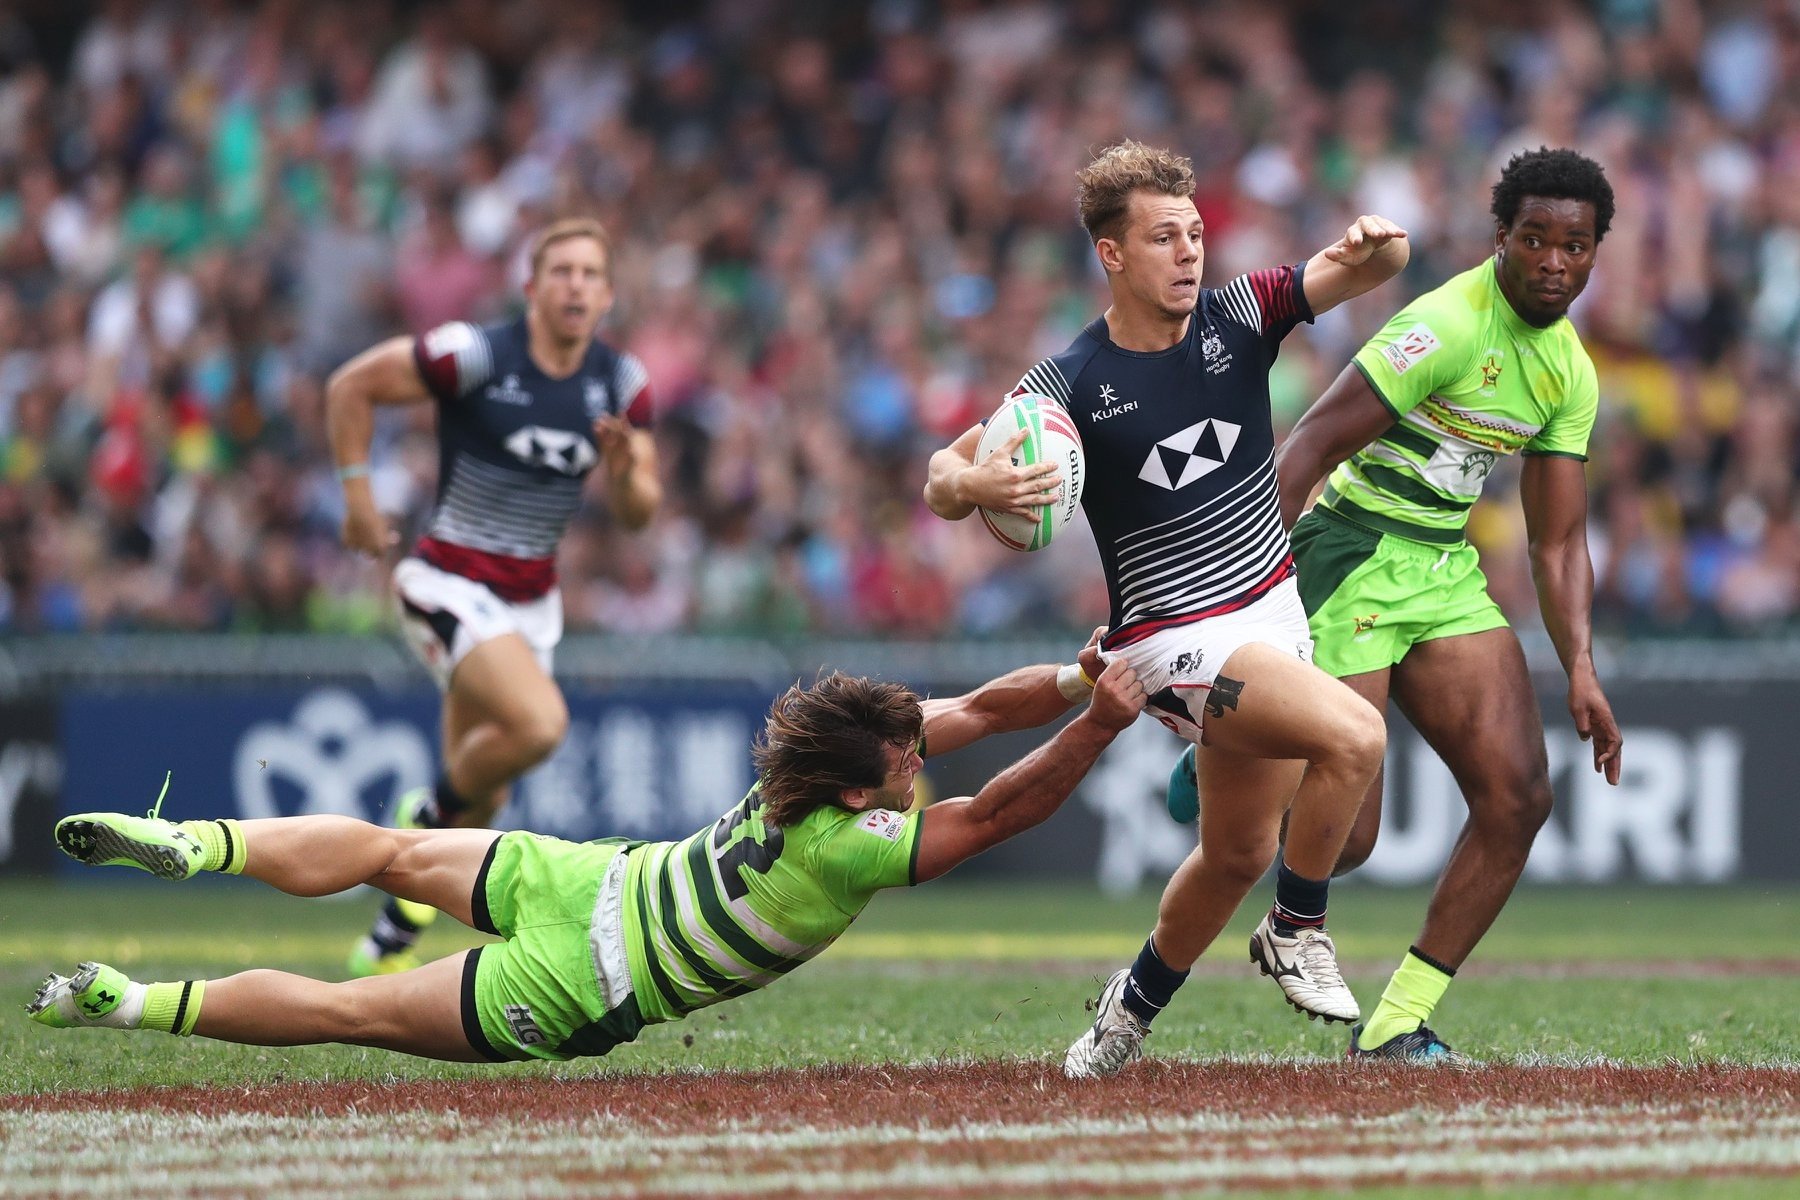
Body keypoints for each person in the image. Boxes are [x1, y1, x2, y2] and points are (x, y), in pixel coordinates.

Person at [28, 647, 1146, 1062]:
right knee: (347, 1012)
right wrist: (1097, 723)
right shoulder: (856, 842)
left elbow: (970, 717)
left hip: (591, 876)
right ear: (865, 787)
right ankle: (125, 1002)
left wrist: (1066, 678)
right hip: (582, 982)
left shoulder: (798, 767)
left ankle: (197, 840)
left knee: (384, 845)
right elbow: (998, 812)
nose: (919, 760)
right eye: (904, 760)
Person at [923, 140, 1408, 1078]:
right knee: (1355, 737)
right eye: (1162, 238)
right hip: (1172, 640)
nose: (1188, 253)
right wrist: (975, 478)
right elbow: (943, 477)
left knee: (1232, 855)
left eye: (1193, 234)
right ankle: (1298, 927)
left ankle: (1125, 1014)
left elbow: (1378, 266)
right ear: (1111, 254)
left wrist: (1374, 243)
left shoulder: (1240, 314)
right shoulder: (1069, 382)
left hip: (1272, 617)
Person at [1186, 145, 1623, 1061]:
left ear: (1594, 253)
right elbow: (1306, 447)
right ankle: (1225, 760)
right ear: (1500, 237)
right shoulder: (1446, 326)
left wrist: (1580, 665)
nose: (1554, 261)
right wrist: (1241, 591)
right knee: (1348, 843)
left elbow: (1554, 538)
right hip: (1348, 552)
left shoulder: (1569, 371)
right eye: (1534, 239)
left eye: (1574, 246)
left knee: (1518, 798)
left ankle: (1398, 1023)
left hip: (1438, 565)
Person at [325, 217, 661, 979]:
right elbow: (351, 387)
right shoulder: (475, 354)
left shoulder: (621, 383)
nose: (575, 285)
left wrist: (623, 472)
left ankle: (387, 944)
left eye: (589, 274)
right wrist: (357, 498)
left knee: (482, 804)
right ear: (532, 288)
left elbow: (643, 510)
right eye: (562, 271)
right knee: (539, 723)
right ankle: (422, 818)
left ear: (607, 295)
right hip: (446, 580)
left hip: (530, 602)